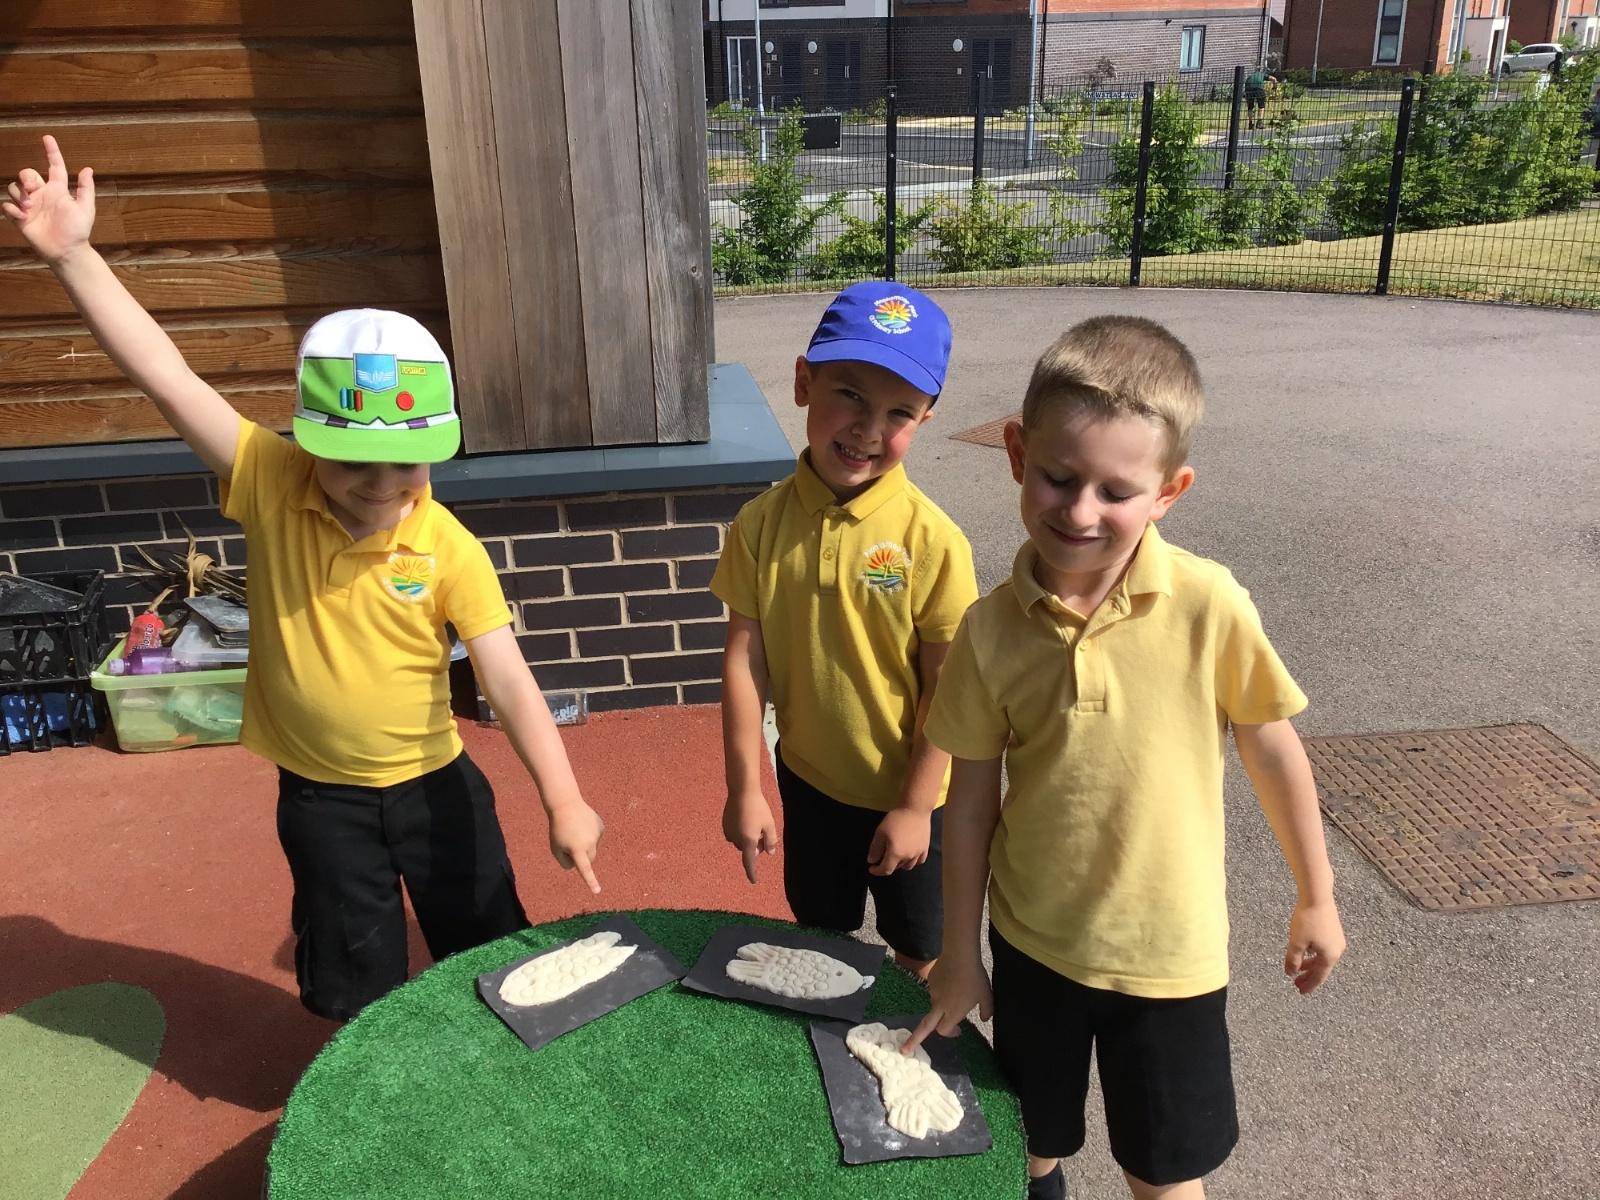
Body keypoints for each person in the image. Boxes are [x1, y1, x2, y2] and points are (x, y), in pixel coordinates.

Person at [4, 136, 607, 1022]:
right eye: (353, 459)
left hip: (436, 786)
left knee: (489, 956)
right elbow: (167, 378)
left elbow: (509, 680)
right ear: (308, 442)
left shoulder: (449, 545)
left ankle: (493, 1076)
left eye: (407, 460)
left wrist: (565, 798)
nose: (382, 483)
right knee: (355, 978)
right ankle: (366, 1084)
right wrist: (73, 257)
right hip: (322, 799)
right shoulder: (271, 482)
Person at [904, 317, 1346, 1200]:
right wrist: (959, 951)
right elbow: (971, 802)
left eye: (1116, 490)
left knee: (1164, 1172)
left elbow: (1271, 748)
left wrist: (1317, 894)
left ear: (1169, 491)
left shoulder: (1208, 603)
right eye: (1059, 477)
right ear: (1017, 453)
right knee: (1026, 1144)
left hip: (1170, 960)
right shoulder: (988, 631)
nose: (1079, 511)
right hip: (1034, 948)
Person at [713, 282, 979, 981]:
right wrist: (745, 787)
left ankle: (912, 1036)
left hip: (912, 789)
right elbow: (744, 662)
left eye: (899, 412)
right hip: (809, 783)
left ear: (925, 418)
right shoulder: (759, 525)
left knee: (920, 949)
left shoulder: (933, 540)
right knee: (820, 934)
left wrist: (915, 806)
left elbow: (948, 687)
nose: (868, 429)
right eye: (851, 395)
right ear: (805, 382)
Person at [1245, 65, 1269, 130]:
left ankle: (1250, 124)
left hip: (1248, 89)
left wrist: (1247, 101)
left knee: (1250, 107)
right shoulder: (1262, 74)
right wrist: (1275, 86)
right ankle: (1259, 123)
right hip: (1258, 88)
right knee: (1261, 106)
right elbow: (1273, 79)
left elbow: (1246, 89)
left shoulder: (1250, 77)